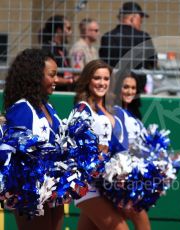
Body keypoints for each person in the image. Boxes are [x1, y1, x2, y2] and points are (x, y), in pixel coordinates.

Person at [3, 48, 63, 230]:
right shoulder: (22, 109)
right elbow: (16, 157)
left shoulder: (47, 105)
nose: (56, 80)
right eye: (52, 75)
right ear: (35, 76)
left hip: (52, 186)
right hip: (32, 190)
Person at [70, 59, 129, 230]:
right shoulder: (82, 108)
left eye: (106, 78)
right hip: (88, 184)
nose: (102, 83)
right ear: (88, 80)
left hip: (109, 186)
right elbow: (76, 148)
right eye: (97, 78)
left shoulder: (112, 111)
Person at [111, 70, 150, 230]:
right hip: (120, 181)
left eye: (133, 88)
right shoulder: (114, 111)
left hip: (133, 179)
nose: (130, 91)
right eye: (125, 87)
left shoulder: (133, 114)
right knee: (143, 224)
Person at [99, 1, 157, 93]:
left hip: (113, 87)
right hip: (136, 88)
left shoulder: (107, 37)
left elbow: (103, 62)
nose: (140, 23)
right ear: (132, 18)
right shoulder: (143, 37)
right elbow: (153, 63)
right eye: (140, 20)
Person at [39, 15, 74, 91]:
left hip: (64, 91)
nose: (70, 32)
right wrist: (69, 81)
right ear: (59, 30)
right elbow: (46, 76)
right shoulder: (48, 50)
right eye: (68, 28)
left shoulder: (62, 49)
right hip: (54, 93)